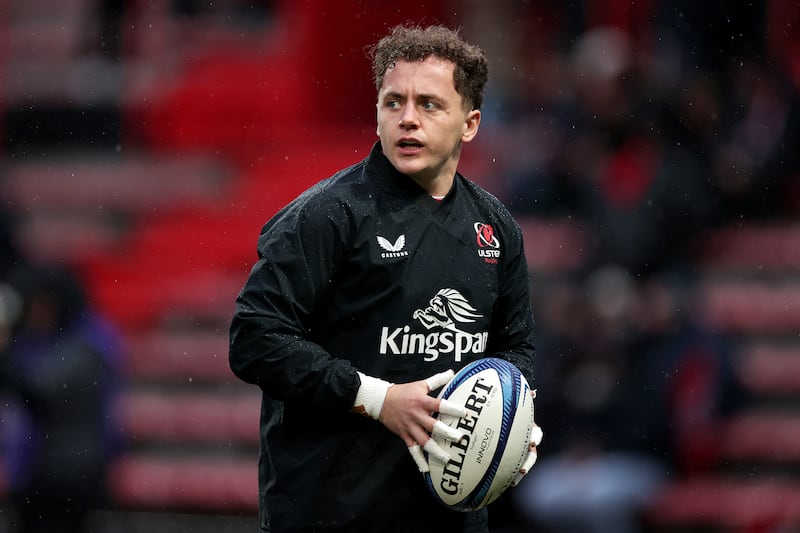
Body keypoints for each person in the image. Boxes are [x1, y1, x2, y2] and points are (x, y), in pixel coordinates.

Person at [229, 24, 542, 533]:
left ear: (470, 123)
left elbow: (515, 347)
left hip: (449, 521)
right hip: (329, 513)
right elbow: (254, 340)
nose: (408, 120)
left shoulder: (497, 227)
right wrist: (377, 400)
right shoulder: (325, 215)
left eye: (430, 104)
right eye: (393, 102)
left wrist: (515, 422)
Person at [0, 265, 124, 533]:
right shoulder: (42, 341)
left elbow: (42, 391)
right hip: (40, 473)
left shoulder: (87, 344)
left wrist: (4, 354)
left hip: (70, 475)